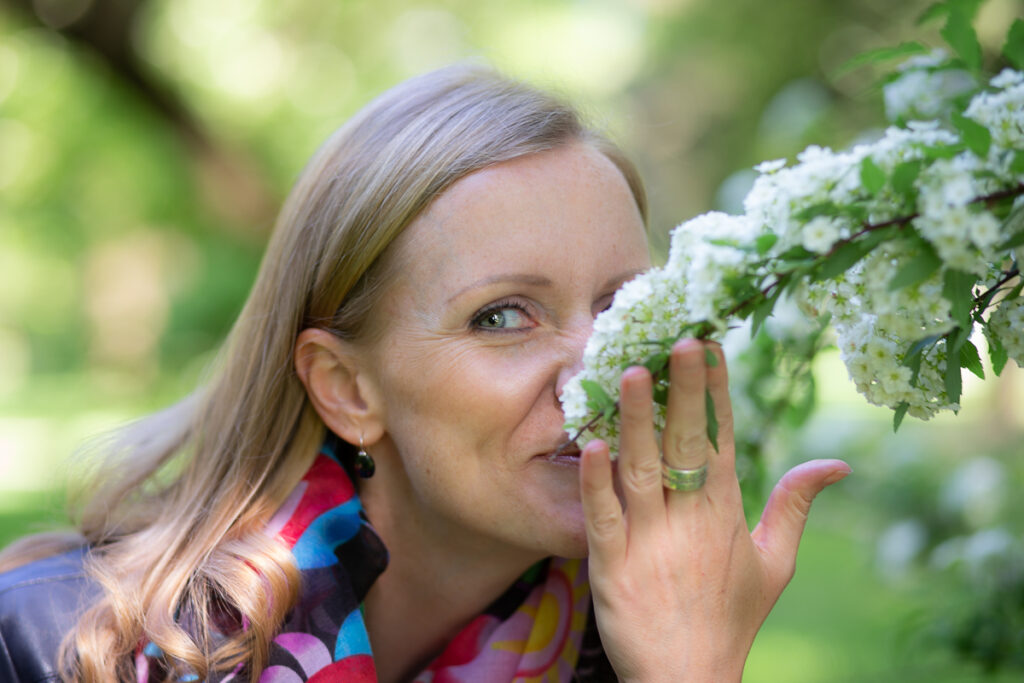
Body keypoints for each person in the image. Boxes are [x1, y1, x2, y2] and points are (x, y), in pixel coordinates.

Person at [0, 63, 850, 683]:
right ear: (347, 387)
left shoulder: (641, 637)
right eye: (504, 315)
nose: (595, 376)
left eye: (625, 306)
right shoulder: (56, 651)